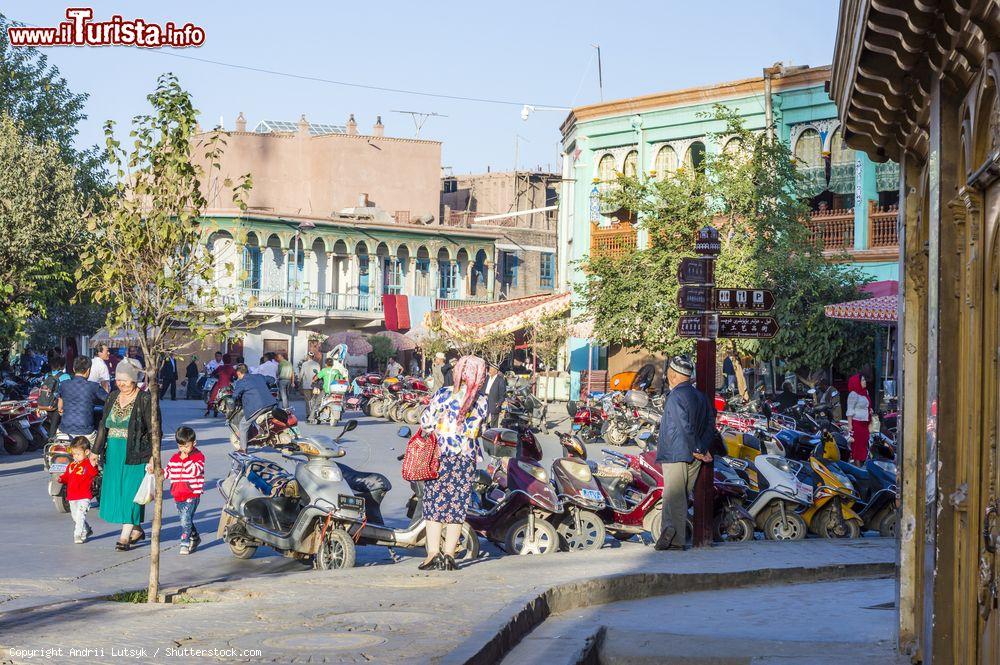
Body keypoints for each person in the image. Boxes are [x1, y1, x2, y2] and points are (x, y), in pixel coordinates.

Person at [417, 355, 489, 571]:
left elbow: (426, 422)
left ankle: (432, 555)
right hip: (465, 459)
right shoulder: (482, 400)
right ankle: (449, 555)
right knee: (456, 507)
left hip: (440, 456)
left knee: (434, 505)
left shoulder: (443, 393)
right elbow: (480, 428)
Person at [91, 358, 158, 551]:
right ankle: (136, 529)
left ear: (135, 380)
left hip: (136, 453)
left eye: (126, 380)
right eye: (118, 379)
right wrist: (96, 450)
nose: (121, 383)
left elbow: (155, 430)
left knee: (131, 493)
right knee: (118, 493)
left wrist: (154, 456)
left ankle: (125, 536)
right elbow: (103, 425)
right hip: (114, 452)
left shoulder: (145, 399)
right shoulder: (112, 397)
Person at [655, 355, 715, 551]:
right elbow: (710, 425)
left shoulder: (675, 397)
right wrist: (703, 449)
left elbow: (684, 426)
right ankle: (672, 536)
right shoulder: (701, 397)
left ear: (672, 375)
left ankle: (673, 537)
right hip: (694, 456)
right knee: (681, 497)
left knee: (673, 497)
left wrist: (697, 449)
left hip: (677, 454)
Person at [157, 426, 205, 555]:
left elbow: (195, 471)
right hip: (178, 494)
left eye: (186, 446)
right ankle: (195, 537)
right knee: (186, 519)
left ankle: (184, 543)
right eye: (180, 446)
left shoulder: (198, 457)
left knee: (185, 519)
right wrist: (159, 472)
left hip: (191, 494)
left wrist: (186, 460)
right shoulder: (174, 458)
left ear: (193, 443)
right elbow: (168, 472)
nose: (183, 449)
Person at [57, 356, 109, 442]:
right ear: (88, 370)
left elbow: (60, 408)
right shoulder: (93, 386)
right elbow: (109, 399)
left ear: (74, 369)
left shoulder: (64, 384)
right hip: (86, 432)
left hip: (64, 430)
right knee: (98, 447)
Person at [59, 437, 99, 544]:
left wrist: (94, 465)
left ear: (86, 452)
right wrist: (61, 479)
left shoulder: (88, 464)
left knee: (80, 515)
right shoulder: (71, 465)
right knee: (75, 516)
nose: (75, 456)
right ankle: (87, 530)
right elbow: (67, 476)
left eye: (78, 454)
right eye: (73, 454)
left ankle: (78, 534)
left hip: (84, 495)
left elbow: (94, 473)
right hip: (72, 495)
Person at [231, 363, 279, 451]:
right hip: (271, 403)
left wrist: (232, 405)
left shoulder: (241, 382)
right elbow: (272, 379)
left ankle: (243, 449)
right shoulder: (259, 376)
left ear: (238, 373)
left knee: (243, 424)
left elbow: (234, 396)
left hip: (257, 406)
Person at [36, 356, 71, 436]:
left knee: (53, 423)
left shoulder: (47, 375)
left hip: (45, 403)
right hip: (57, 404)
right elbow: (69, 391)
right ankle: (50, 442)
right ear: (62, 365)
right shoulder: (65, 376)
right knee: (54, 425)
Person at [847, 374, 873, 463]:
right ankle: (857, 465)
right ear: (856, 382)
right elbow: (850, 410)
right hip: (857, 424)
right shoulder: (853, 394)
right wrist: (850, 426)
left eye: (864, 380)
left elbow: (866, 406)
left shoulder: (865, 392)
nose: (864, 382)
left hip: (865, 424)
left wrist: (870, 410)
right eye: (862, 380)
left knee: (864, 444)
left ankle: (862, 463)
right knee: (857, 446)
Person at [480, 362, 507, 427]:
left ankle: (493, 434)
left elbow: (503, 394)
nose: (489, 371)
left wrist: (499, 403)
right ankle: (483, 432)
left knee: (494, 420)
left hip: (494, 401)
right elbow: (483, 388)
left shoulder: (500, 380)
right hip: (484, 399)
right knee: (482, 417)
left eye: (491, 369)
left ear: (496, 371)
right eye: (490, 369)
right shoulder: (487, 378)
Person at [298, 352, 321, 422]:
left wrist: (299, 382)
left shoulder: (304, 364)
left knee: (308, 401)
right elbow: (319, 375)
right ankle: (313, 414)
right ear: (313, 357)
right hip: (315, 385)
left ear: (308, 356)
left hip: (306, 385)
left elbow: (301, 375)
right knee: (314, 400)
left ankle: (308, 414)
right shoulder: (317, 364)